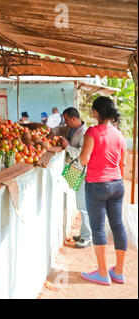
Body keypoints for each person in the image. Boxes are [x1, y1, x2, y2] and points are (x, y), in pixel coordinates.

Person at [79, 96, 127, 286]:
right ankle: (119, 272)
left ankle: (102, 273)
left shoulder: (92, 132)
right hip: (117, 184)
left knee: (98, 228)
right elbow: (122, 163)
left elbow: (84, 159)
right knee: (118, 226)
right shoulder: (119, 135)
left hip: (97, 185)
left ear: (96, 112)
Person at [50, 107, 91, 248]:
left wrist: (67, 146)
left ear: (74, 119)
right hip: (74, 170)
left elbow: (82, 154)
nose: (65, 123)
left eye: (67, 120)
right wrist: (52, 132)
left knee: (83, 205)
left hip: (82, 171)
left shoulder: (85, 133)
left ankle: (87, 237)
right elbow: (60, 129)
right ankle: (85, 233)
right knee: (79, 203)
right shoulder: (71, 129)